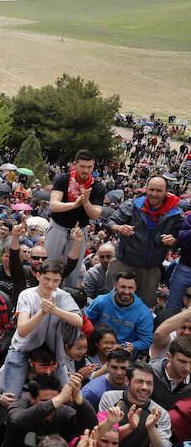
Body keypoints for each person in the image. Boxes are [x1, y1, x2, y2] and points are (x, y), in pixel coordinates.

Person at [0, 260, 83, 397]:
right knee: (11, 396)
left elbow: (78, 321)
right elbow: (22, 330)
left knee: (67, 394)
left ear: (61, 280)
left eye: (55, 281)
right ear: (38, 276)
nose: (50, 284)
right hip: (23, 348)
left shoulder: (62, 296)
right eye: (47, 279)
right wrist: (42, 313)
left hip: (51, 350)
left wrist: (55, 310)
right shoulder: (27, 295)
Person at [107, 176, 183, 307]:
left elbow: (181, 239)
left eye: (159, 190)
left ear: (166, 192)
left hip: (150, 268)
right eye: (151, 189)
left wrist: (174, 241)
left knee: (144, 306)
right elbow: (109, 222)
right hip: (124, 262)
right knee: (111, 301)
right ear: (146, 189)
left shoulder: (176, 214)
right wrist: (119, 227)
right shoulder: (131, 205)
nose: (154, 193)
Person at [0, 373, 98, 447]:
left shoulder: (62, 410)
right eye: (46, 401)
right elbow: (16, 420)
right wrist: (56, 401)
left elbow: (90, 424)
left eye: (55, 400)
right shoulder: (20, 405)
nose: (52, 407)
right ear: (32, 397)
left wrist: (79, 399)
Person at [100, 362, 173, 447]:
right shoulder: (110, 399)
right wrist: (129, 426)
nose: (145, 387)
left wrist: (151, 428)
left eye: (149, 383)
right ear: (127, 381)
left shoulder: (160, 413)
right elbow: (101, 440)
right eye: (139, 381)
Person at [47, 150, 106, 287]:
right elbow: (53, 205)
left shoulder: (97, 186)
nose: (86, 170)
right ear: (75, 165)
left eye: (89, 167)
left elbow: (95, 214)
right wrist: (74, 204)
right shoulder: (63, 179)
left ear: (93, 166)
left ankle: (68, 296)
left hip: (80, 231)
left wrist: (85, 202)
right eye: (82, 167)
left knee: (73, 270)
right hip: (58, 226)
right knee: (49, 264)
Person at [85, 272, 154, 355]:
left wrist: (122, 347)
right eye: (123, 287)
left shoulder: (144, 312)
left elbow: (146, 341)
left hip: (122, 354)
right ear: (115, 285)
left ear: (135, 288)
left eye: (130, 288)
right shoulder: (101, 301)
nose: (126, 291)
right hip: (95, 348)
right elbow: (86, 321)